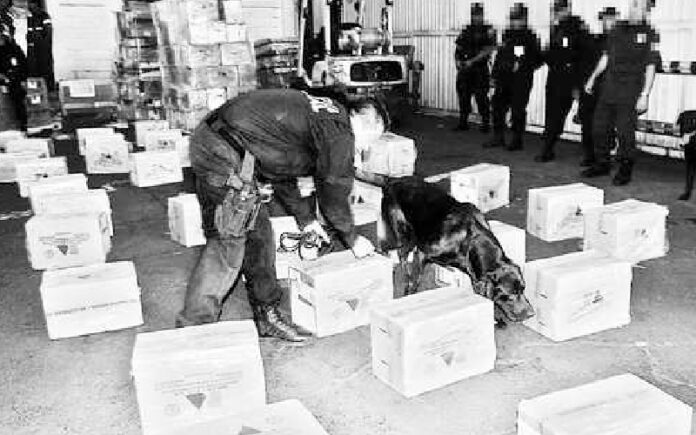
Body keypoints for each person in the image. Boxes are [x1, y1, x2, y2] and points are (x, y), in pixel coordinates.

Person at [176, 89, 383, 342]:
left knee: (259, 234)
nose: (366, 148)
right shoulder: (339, 132)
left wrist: (306, 220)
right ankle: (193, 332)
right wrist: (353, 238)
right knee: (228, 241)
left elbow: (279, 170)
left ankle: (267, 316)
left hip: (227, 144)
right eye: (373, 139)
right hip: (222, 151)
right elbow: (333, 188)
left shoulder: (322, 117)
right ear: (365, 121)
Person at [582, 0, 660, 185]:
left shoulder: (649, 34)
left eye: (639, 7)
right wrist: (593, 77)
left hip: (630, 91)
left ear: (646, 11)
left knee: (625, 133)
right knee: (599, 128)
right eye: (633, 6)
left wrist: (645, 95)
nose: (634, 10)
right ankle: (602, 163)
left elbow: (650, 66)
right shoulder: (617, 29)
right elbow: (606, 56)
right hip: (609, 88)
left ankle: (625, 168)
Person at [535, 0, 590, 162]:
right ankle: (548, 149)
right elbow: (552, 52)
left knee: (585, 117)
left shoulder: (576, 26)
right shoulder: (557, 28)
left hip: (571, 78)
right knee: (552, 115)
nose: (557, 13)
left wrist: (579, 82)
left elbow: (582, 54)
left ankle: (590, 154)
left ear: (567, 9)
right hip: (555, 77)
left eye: (560, 10)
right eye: (555, 10)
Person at [484, 3, 543, 151]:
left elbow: (538, 59)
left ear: (524, 20)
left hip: (520, 80)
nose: (515, 22)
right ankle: (498, 137)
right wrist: (494, 76)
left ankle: (517, 140)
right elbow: (500, 56)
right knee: (497, 107)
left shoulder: (529, 37)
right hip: (504, 78)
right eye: (513, 19)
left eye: (518, 19)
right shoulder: (507, 34)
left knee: (517, 110)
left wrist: (522, 66)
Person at [577, 7, 619, 167]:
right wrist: (583, 84)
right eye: (606, 19)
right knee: (587, 122)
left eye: (611, 19)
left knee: (605, 125)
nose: (608, 22)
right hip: (592, 88)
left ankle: (603, 158)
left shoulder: (619, 41)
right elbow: (583, 63)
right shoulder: (594, 40)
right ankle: (590, 155)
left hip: (610, 89)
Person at [453, 2, 496, 132]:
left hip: (480, 69)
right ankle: (463, 122)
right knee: (463, 96)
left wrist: (472, 61)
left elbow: (488, 50)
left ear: (482, 15)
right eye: (474, 14)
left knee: (481, 97)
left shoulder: (488, 30)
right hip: (465, 69)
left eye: (478, 14)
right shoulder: (466, 30)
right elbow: (458, 48)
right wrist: (457, 61)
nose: (476, 17)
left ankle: (485, 124)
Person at [0, 24, 28, 131]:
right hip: (3, 80)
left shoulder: (13, 47)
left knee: (18, 99)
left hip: (14, 79)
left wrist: (22, 79)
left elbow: (23, 63)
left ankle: (22, 124)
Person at [27, 0, 54, 90]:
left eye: (31, 4)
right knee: (34, 68)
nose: (30, 6)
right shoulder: (30, 17)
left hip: (43, 48)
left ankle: (49, 88)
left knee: (45, 68)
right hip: (33, 48)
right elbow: (29, 33)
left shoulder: (44, 16)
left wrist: (45, 46)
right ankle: (37, 89)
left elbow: (48, 32)